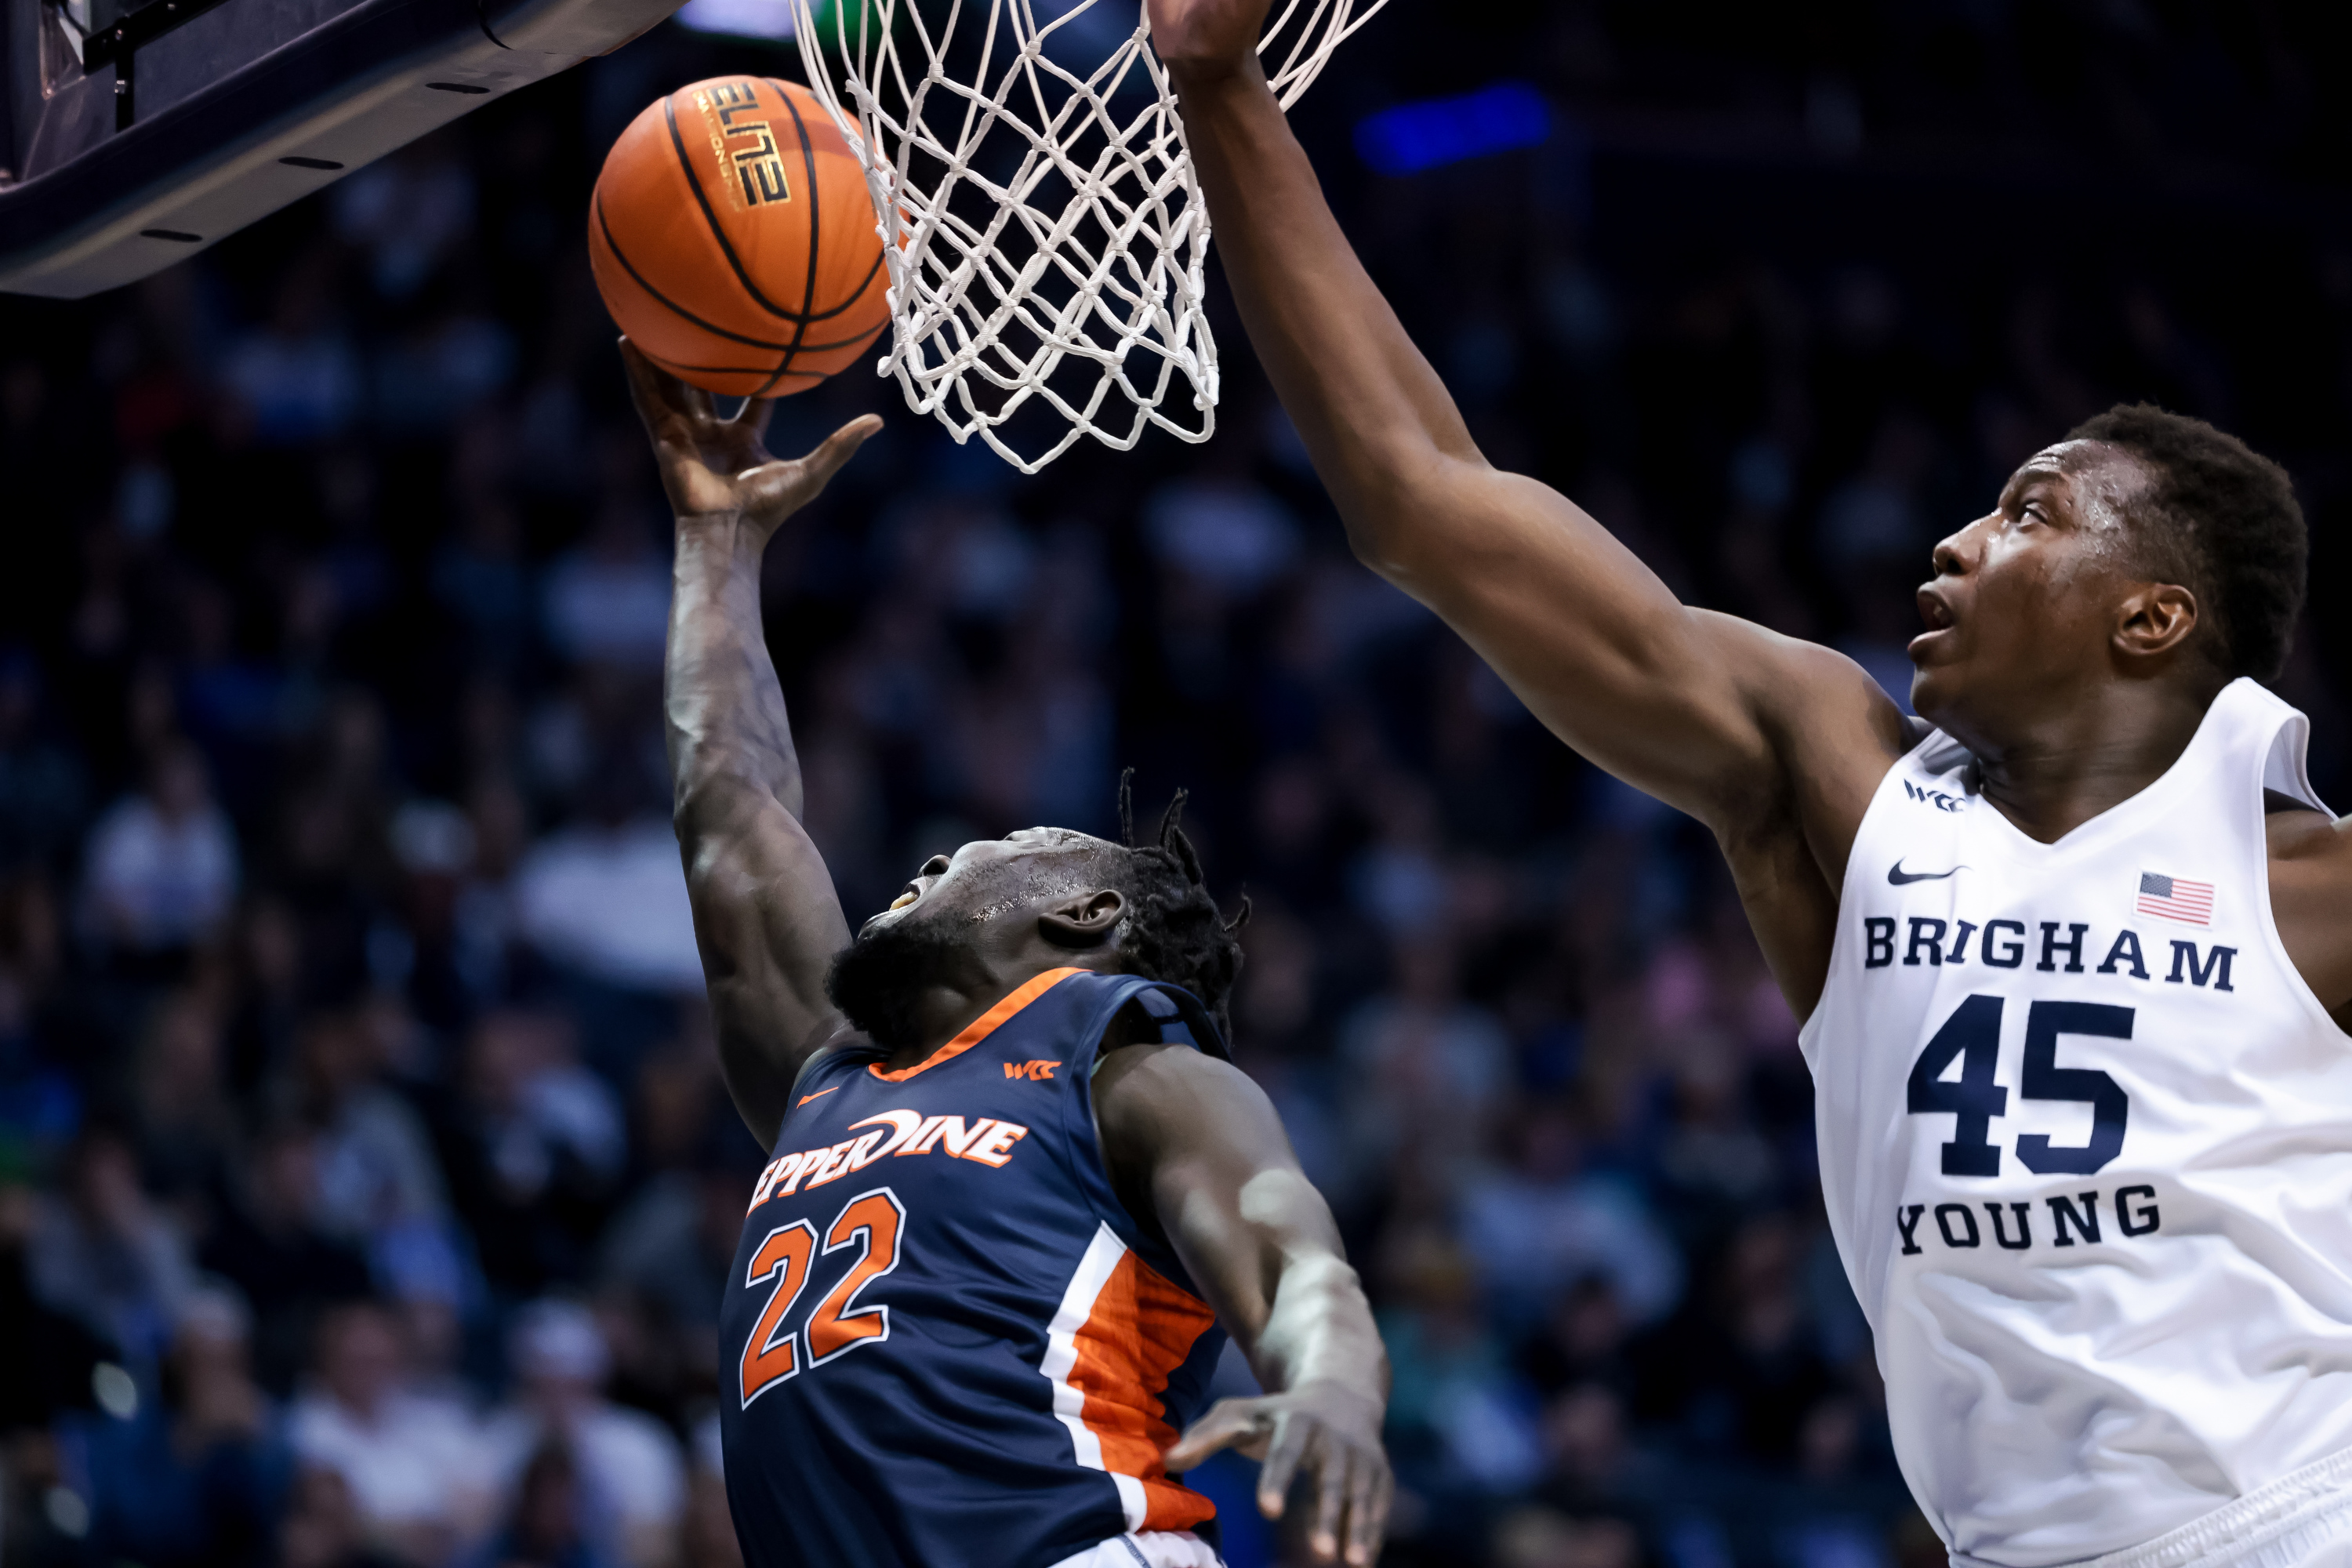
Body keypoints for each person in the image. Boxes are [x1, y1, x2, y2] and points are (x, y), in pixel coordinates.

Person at [1149, 2, 2352, 1565]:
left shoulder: (2313, 886)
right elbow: (1426, 506)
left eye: (2034, 514)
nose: (1961, 542)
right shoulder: (1844, 787)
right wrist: (1223, 87)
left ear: (2154, 618)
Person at [622, 343, 1390, 1568]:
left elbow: (1289, 1246)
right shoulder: (830, 1078)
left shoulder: (1125, 1065)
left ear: (1083, 919)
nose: (927, 867)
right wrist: (717, 546)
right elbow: (729, 814)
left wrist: (1334, 1386)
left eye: (999, 848)